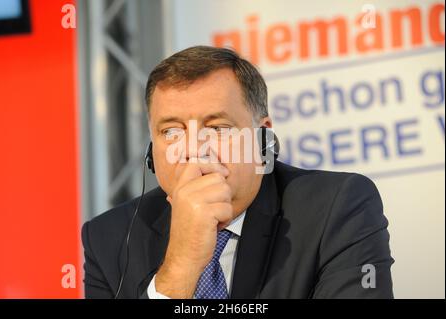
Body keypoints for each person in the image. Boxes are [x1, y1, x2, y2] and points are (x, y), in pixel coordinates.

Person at [81, 46, 394, 299]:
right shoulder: (109, 238)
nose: (194, 149)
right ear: (153, 151)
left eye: (217, 128)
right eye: (172, 131)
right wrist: (182, 264)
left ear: (262, 138)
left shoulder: (337, 208)